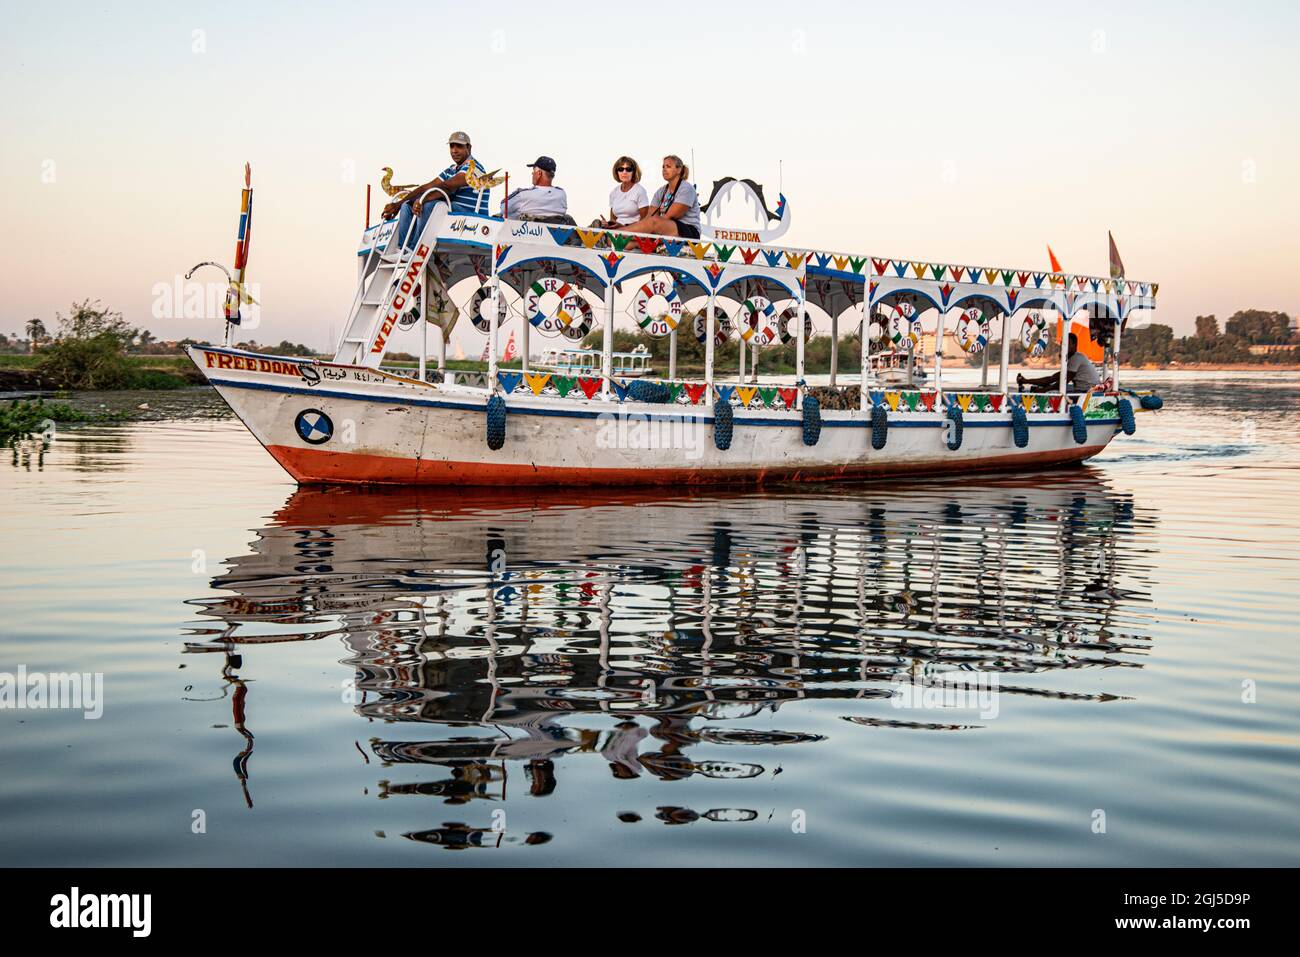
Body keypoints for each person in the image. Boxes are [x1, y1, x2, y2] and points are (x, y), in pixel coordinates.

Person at [383, 130, 491, 252]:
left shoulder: (474, 167)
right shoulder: (451, 170)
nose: (454, 150)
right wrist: (398, 204)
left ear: (469, 148)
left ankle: (415, 249)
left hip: (471, 215)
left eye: (459, 146)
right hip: (454, 212)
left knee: (430, 205)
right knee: (406, 205)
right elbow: (425, 187)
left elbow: (448, 187)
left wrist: (422, 200)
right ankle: (403, 249)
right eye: (452, 146)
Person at [620, 154, 701, 239]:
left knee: (654, 222)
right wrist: (625, 226)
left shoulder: (687, 189)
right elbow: (648, 218)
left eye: (668, 166)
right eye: (663, 167)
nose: (664, 169)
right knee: (630, 243)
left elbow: (670, 216)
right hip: (665, 229)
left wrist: (640, 229)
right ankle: (613, 237)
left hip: (688, 231)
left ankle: (617, 234)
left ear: (679, 170)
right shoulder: (661, 191)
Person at [1018, 332, 1102, 393]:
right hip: (1083, 390)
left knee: (1052, 392)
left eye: (1066, 344)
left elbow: (1061, 383)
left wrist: (1043, 390)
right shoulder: (1072, 358)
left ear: (1074, 345)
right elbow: (1052, 378)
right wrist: (1026, 381)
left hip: (1087, 392)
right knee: (1049, 387)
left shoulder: (1076, 358)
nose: (1063, 346)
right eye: (1062, 344)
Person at [496, 156, 568, 219]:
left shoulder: (523, 195)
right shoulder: (561, 194)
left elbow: (503, 207)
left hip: (519, 232)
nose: (532, 173)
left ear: (539, 173)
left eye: (534, 170)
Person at [597, 156, 650, 228]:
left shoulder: (640, 191)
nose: (624, 172)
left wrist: (623, 226)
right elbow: (613, 219)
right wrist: (607, 224)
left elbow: (645, 221)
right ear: (617, 172)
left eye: (628, 169)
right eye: (621, 169)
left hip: (633, 231)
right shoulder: (614, 193)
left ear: (634, 172)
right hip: (616, 231)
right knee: (596, 224)